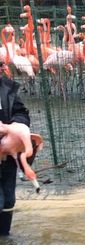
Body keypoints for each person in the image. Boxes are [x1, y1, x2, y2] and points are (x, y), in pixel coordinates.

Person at [0, 74, 31, 236]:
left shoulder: (7, 87)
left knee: (9, 200)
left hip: (7, 157)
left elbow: (22, 112)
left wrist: (17, 125)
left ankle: (5, 237)